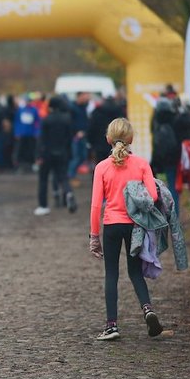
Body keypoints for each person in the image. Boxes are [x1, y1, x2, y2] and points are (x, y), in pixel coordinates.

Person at [88, 118, 164, 341]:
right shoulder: (141, 164)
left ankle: (111, 325)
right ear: (131, 139)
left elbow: (95, 205)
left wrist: (94, 236)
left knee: (111, 273)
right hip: (135, 226)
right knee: (135, 272)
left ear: (108, 139)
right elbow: (153, 196)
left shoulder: (101, 167)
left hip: (112, 224)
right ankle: (148, 309)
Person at [35, 95, 76, 215]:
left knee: (43, 179)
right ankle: (68, 193)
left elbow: (41, 139)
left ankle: (43, 206)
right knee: (63, 177)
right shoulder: (67, 119)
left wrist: (38, 155)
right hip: (62, 152)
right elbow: (70, 138)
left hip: (47, 153)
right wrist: (69, 153)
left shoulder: (46, 119)